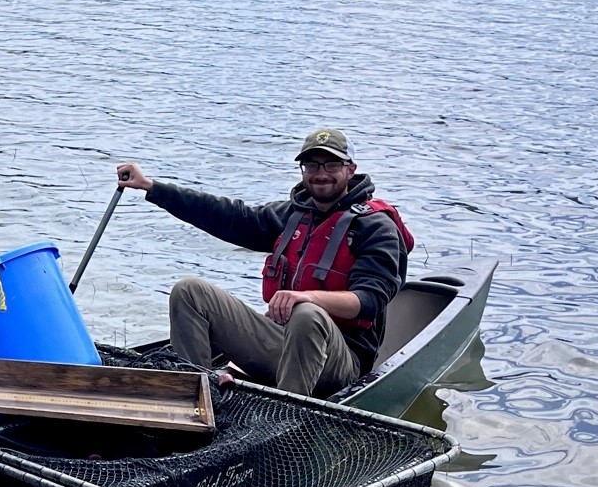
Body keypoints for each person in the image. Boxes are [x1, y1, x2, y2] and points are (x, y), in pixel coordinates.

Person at [114, 128, 413, 396]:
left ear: (350, 170)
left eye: (332, 164)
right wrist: (153, 188)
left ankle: (283, 418)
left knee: (307, 314)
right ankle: (197, 399)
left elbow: (370, 300)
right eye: (312, 165)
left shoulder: (375, 226)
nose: (321, 173)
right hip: (282, 346)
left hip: (339, 363)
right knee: (190, 291)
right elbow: (227, 216)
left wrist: (307, 297)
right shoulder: (292, 215)